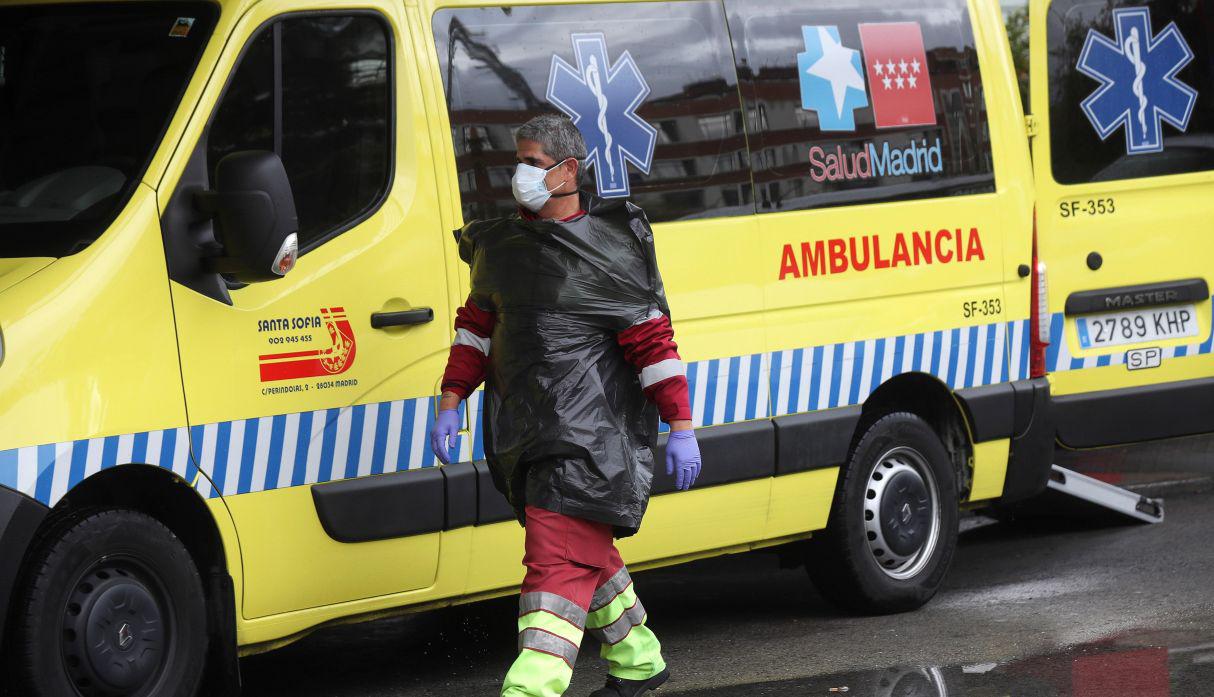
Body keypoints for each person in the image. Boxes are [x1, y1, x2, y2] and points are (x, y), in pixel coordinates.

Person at [429, 113, 702, 697]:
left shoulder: (609, 252)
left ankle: (533, 687)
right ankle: (639, 660)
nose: (519, 173)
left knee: (553, 563)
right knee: (585, 551)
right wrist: (451, 398)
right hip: (525, 434)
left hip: (585, 443)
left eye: (531, 161)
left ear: (567, 170)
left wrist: (680, 424)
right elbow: (476, 329)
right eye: (518, 161)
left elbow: (653, 344)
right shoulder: (501, 248)